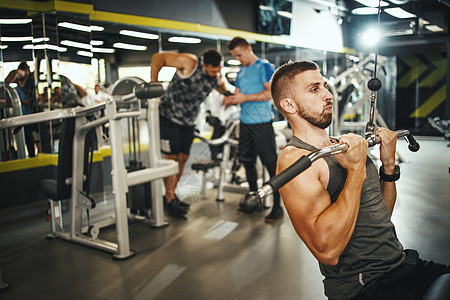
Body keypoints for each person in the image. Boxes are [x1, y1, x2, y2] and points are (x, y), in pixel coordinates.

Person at [271, 60, 449, 299]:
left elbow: (381, 214)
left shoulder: (339, 146)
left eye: (325, 86)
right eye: (315, 89)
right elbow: (328, 251)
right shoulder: (297, 159)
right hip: (365, 285)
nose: (328, 95)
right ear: (289, 104)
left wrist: (388, 166)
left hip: (400, 263)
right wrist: (355, 170)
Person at [150, 49, 228, 218]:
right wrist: (153, 86)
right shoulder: (190, 62)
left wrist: (235, 96)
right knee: (171, 158)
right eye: (212, 70)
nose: (216, 73)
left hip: (188, 122)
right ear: (203, 65)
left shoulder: (217, 77)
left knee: (183, 157)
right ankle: (170, 198)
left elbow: (226, 90)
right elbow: (159, 58)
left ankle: (170, 195)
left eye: (218, 70)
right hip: (168, 117)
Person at [224, 36, 283, 223]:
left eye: (240, 55)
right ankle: (254, 201)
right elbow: (238, 94)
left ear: (248, 48)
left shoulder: (264, 67)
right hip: (245, 123)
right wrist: (231, 100)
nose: (238, 59)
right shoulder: (241, 72)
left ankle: (277, 207)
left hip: (261, 123)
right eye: (235, 56)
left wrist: (244, 99)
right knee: (247, 162)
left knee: (270, 165)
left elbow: (270, 93)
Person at [5, 62, 37, 158]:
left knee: (31, 139)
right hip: (23, 116)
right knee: (28, 138)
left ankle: (33, 156)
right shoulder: (20, 88)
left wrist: (6, 83)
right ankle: (31, 156)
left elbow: (16, 73)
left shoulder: (29, 78)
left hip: (28, 116)